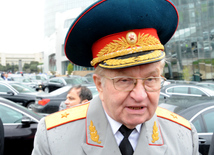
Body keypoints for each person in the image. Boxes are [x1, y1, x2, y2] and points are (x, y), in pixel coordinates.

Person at [32, 0, 199, 154]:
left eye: (150, 79)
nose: (140, 95)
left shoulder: (183, 136)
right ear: (99, 85)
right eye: (124, 80)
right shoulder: (53, 138)